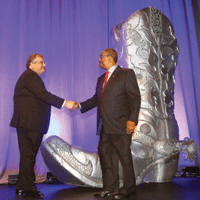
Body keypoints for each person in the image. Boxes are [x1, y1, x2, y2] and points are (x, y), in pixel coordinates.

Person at [75, 48, 141, 199]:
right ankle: (110, 188)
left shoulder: (126, 73)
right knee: (105, 157)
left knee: (124, 157)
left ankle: (129, 189)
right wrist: (79, 105)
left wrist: (132, 120)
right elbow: (96, 99)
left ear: (110, 57)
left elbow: (135, 98)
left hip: (121, 125)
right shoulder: (101, 79)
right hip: (105, 126)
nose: (99, 60)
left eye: (101, 57)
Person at [10, 54, 76, 199]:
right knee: (29, 157)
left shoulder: (28, 77)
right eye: (40, 62)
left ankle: (22, 188)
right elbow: (44, 95)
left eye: (44, 62)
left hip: (27, 123)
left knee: (27, 157)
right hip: (31, 124)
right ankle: (28, 189)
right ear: (31, 64)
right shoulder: (31, 76)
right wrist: (66, 103)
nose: (43, 65)